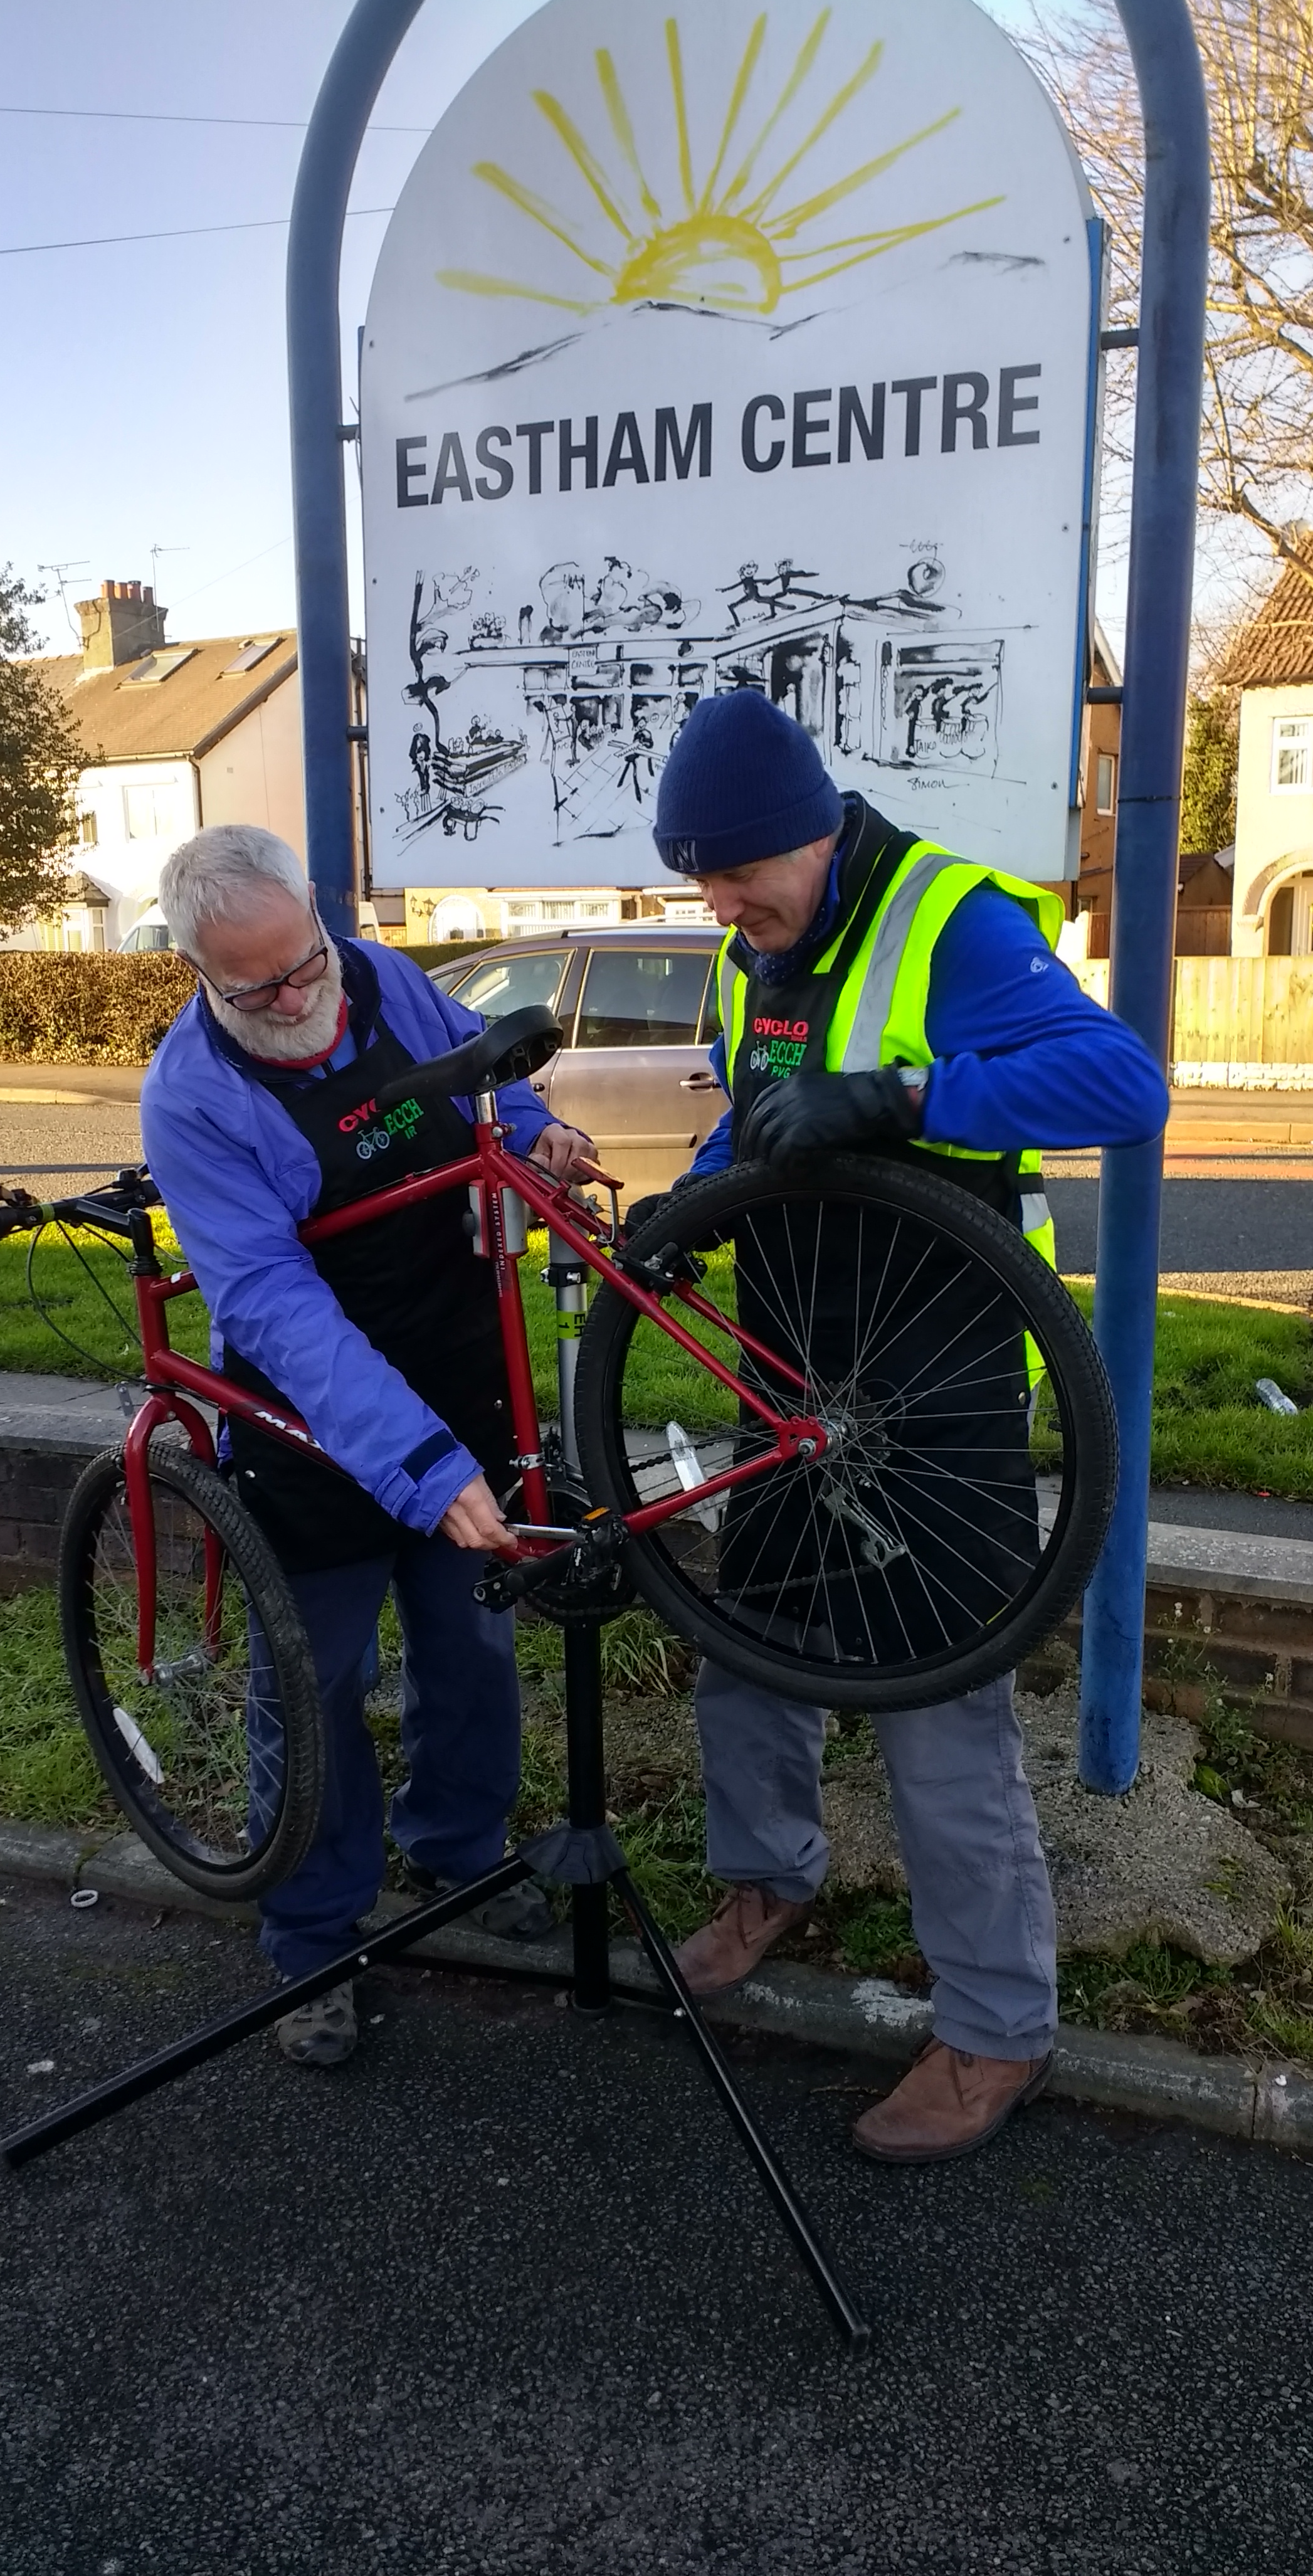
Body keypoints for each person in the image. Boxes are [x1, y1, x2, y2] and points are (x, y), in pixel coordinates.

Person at [635, 689, 1168, 2165]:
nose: (725, 908)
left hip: (934, 1385)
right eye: (703, 883)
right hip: (793, 1373)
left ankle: (997, 2026)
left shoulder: (950, 922)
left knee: (939, 1709)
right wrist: (695, 1193)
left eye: (742, 875)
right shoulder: (757, 948)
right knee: (751, 1650)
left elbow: (1127, 1083)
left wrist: (907, 1092)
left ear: (813, 829)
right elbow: (758, 1111)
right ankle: (767, 1882)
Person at [142, 825, 601, 2069]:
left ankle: (459, 1847)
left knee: (473, 1644)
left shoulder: (377, 973)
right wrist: (418, 1463)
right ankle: (310, 1933)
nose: (298, 999)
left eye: (304, 964)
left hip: (454, 1362)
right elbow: (274, 1307)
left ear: (314, 918)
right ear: (198, 973)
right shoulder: (193, 1096)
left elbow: (480, 1076)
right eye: (259, 990)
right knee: (314, 1682)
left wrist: (534, 1123)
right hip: (311, 1415)